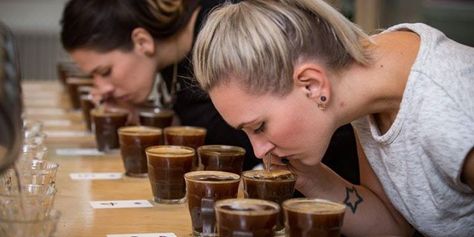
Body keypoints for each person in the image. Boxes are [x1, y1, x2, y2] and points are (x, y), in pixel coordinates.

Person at [191, 0, 474, 236]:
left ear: (312, 85)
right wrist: (311, 179)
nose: (259, 150)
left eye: (259, 127)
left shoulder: (451, 112)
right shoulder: (365, 90)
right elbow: (394, 226)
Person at [59, 0, 361, 179]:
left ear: (141, 41)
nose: (101, 90)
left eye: (104, 72)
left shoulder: (219, 35)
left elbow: (240, 150)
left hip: (336, 175)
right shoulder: (169, 61)